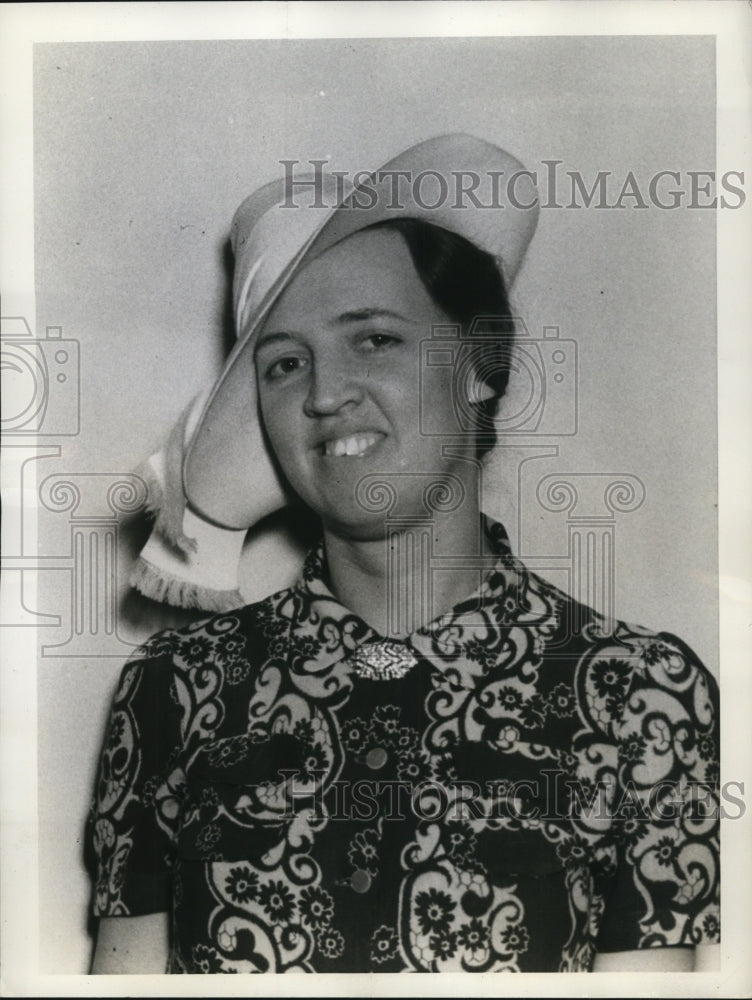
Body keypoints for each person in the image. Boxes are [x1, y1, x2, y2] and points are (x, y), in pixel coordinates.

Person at [86, 135, 720, 973]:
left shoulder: (639, 695)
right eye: (283, 364)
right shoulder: (174, 693)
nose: (321, 393)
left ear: (477, 367)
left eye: (374, 339)